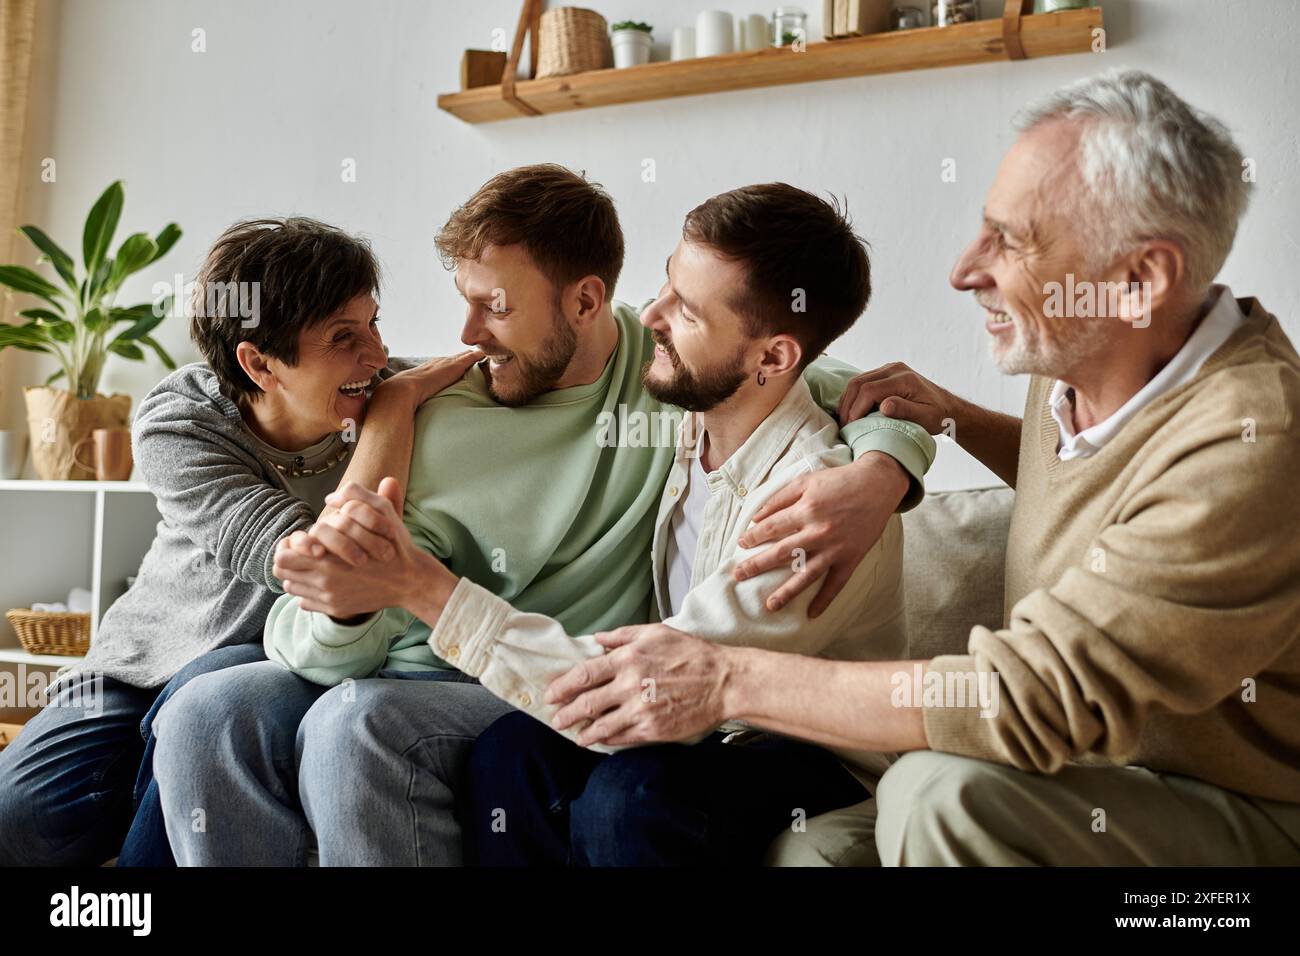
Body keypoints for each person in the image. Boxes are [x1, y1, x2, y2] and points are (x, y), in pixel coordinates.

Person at [523, 70, 1300, 867]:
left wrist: (725, 679)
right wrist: (935, 431)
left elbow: (1032, 698)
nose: (965, 270)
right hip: (1084, 780)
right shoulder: (1084, 360)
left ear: (1140, 282)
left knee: (938, 795)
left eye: (1014, 241)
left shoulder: (1249, 445)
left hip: (1239, 809)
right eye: (983, 229)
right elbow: (778, 379)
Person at [151, 164, 936, 866]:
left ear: (587, 301)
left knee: (361, 725)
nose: (655, 314)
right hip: (413, 663)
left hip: (616, 690)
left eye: (492, 306)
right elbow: (316, 634)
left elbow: (813, 373)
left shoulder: (685, 392)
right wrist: (386, 441)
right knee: (205, 708)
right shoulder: (464, 399)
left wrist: (884, 464)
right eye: (662, 287)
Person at [0, 217, 477, 866]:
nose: (376, 353)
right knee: (21, 816)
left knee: (205, 702)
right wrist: (392, 414)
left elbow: (338, 588)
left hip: (271, 664)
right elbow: (305, 562)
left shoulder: (395, 389)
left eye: (373, 323)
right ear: (257, 362)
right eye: (344, 336)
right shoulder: (182, 418)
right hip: (149, 659)